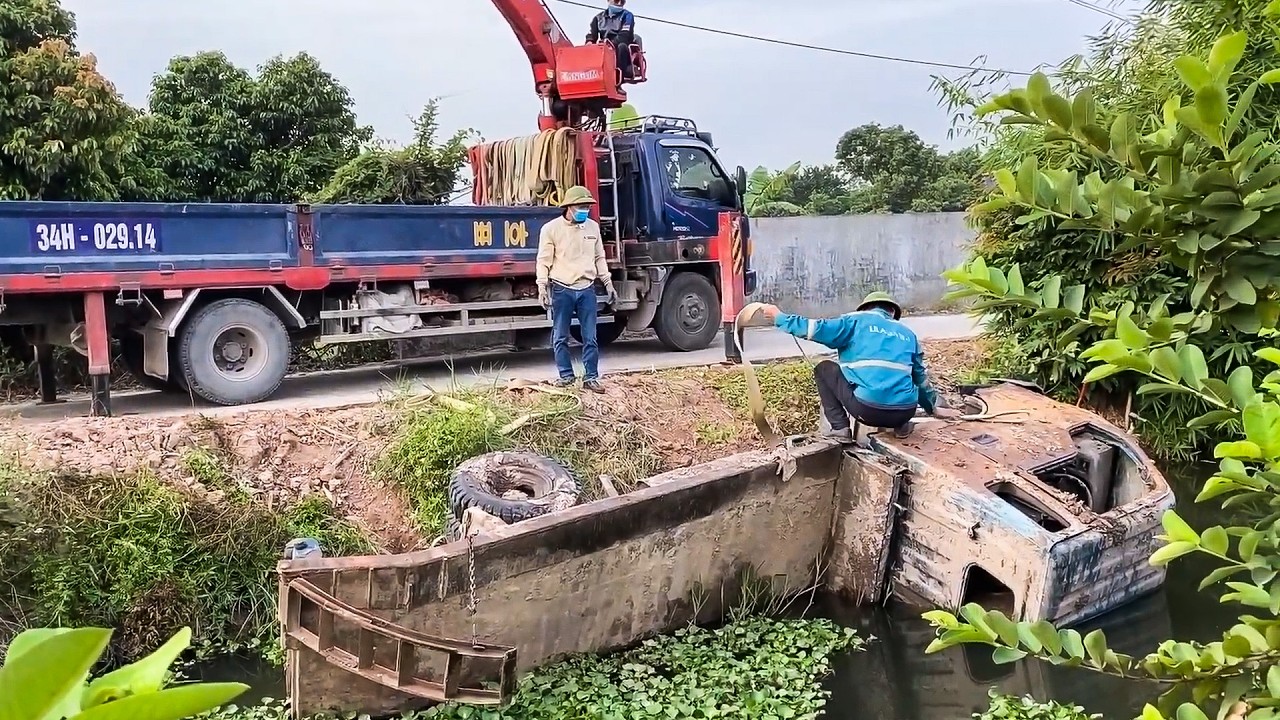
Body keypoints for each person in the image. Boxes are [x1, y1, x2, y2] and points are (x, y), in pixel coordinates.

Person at [758, 292, 955, 443]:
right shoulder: (907, 334)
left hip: (868, 411)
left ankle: (841, 429)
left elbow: (814, 328)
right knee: (903, 375)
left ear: (864, 309)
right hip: (905, 411)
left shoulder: (854, 321)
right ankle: (901, 427)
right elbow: (920, 379)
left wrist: (779, 317)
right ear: (892, 312)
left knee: (824, 369)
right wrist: (934, 406)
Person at [536, 185, 616, 393]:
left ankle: (591, 377)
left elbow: (600, 257)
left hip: (587, 288)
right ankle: (566, 376)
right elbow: (543, 261)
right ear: (569, 207)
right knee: (560, 335)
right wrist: (542, 287)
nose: (585, 210)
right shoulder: (551, 229)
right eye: (581, 206)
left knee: (590, 336)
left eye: (587, 207)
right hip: (562, 288)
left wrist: (608, 282)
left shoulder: (592, 227)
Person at [586, 0, 637, 81]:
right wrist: (589, 42)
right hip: (604, 49)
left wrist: (610, 44)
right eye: (616, 1)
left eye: (622, 2)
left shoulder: (627, 16)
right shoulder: (598, 18)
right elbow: (591, 35)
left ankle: (619, 79)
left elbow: (624, 34)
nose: (619, 3)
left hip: (621, 49)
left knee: (622, 46)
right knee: (591, 49)